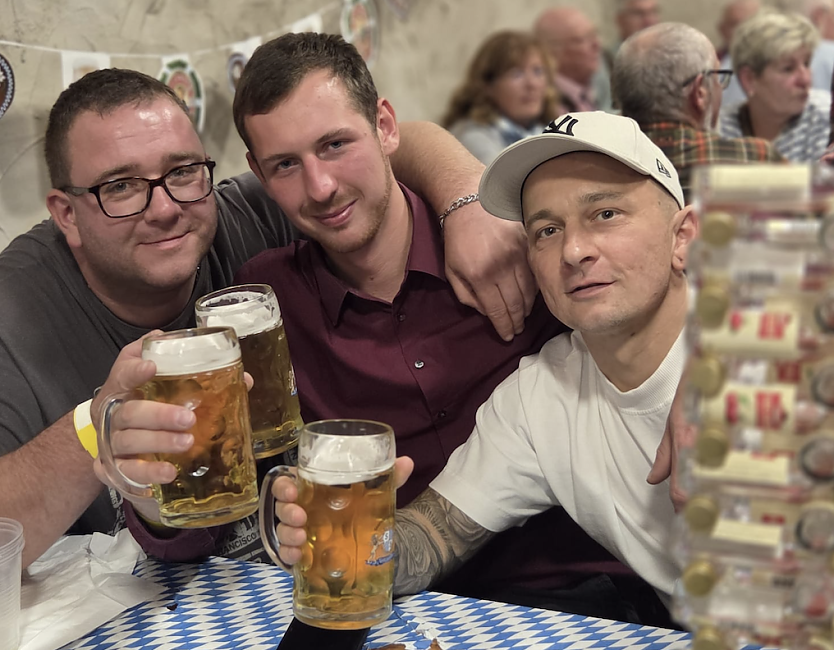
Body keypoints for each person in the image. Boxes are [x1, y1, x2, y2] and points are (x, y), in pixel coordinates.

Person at [107, 33, 657, 621]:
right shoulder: (265, 308)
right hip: (398, 599)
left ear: (386, 127)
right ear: (259, 176)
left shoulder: (507, 238)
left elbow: (660, 272)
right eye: (286, 165)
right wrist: (152, 490)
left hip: (590, 597)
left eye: (336, 144)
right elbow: (205, 525)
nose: (320, 187)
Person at [0, 67, 533, 569]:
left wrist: (467, 197)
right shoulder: (17, 308)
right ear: (66, 213)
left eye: (182, 170)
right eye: (120, 186)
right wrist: (95, 425)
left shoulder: (250, 216)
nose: (163, 208)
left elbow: (379, 142)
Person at [271, 111, 698, 617]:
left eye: (605, 213)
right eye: (546, 230)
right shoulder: (539, 398)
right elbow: (429, 536)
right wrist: (348, 536)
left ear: (684, 235)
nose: (575, 250)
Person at [613, 22, 782, 200]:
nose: (720, 88)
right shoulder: (757, 159)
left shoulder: (594, 163)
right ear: (700, 92)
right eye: (717, 77)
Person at [719, 10, 832, 162]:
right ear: (749, 79)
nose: (805, 79)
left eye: (806, 64)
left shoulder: (825, 118)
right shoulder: (720, 129)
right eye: (788, 69)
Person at [442, 31, 559, 165]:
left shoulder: (549, 130)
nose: (532, 84)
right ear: (487, 85)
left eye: (538, 71)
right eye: (517, 74)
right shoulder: (472, 137)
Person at [534, 7, 612, 115]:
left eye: (594, 34)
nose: (597, 45)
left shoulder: (596, 89)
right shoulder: (546, 106)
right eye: (582, 39)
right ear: (551, 52)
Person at [716, 0, 761, 107]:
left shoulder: (777, 63)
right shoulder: (711, 65)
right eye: (735, 24)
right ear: (722, 29)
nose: (743, 31)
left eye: (750, 24)